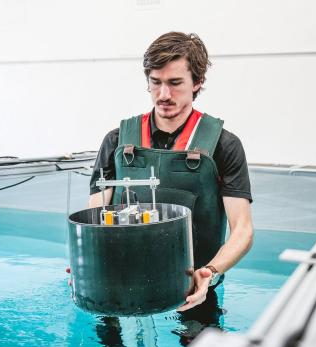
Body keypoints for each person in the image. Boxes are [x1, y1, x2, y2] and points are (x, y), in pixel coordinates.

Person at [88, 31, 254, 315]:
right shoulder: (116, 141)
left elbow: (243, 229)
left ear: (197, 82)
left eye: (175, 83)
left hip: (195, 283)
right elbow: (95, 218)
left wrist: (209, 273)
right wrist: (88, 261)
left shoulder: (224, 145)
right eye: (156, 83)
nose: (163, 95)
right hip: (122, 279)